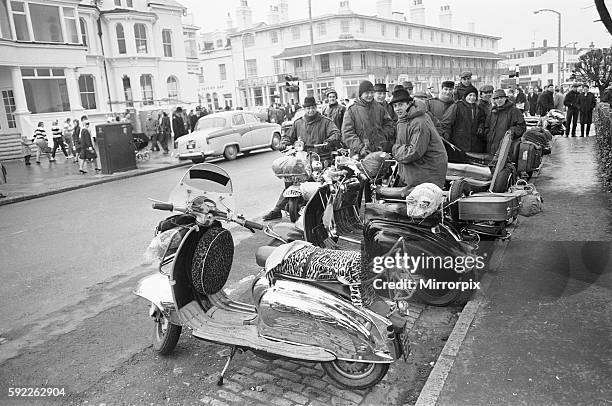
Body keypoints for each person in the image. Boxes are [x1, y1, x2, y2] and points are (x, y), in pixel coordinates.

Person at [263, 96, 341, 221]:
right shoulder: (298, 122)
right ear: (304, 109)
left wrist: (329, 141)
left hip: (320, 159)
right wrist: (284, 142)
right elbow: (288, 137)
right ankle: (277, 210)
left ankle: (329, 211)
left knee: (324, 184)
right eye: (308, 108)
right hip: (302, 159)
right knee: (290, 181)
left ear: (316, 108)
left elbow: (336, 133)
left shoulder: (325, 122)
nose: (310, 110)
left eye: (312, 108)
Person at [390, 88, 448, 189]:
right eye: (395, 106)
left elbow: (414, 152)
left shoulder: (419, 122)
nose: (397, 109)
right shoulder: (402, 121)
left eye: (400, 105)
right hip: (417, 170)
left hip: (427, 171)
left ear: (409, 104)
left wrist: (395, 150)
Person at [342, 80, 395, 158]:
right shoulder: (352, 110)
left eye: (371, 92)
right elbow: (347, 133)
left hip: (379, 152)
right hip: (360, 155)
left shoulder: (380, 108)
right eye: (367, 93)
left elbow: (389, 125)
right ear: (361, 94)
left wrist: (382, 136)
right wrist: (360, 148)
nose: (370, 95)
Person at [440, 85, 486, 153]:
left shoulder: (478, 109)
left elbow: (482, 120)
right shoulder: (457, 106)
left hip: (474, 144)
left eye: (474, 96)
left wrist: (481, 127)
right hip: (459, 142)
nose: (472, 98)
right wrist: (446, 137)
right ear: (465, 96)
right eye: (470, 95)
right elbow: (446, 122)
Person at [484, 89, 526, 154]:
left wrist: (511, 131)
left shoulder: (514, 111)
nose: (499, 100)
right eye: (497, 98)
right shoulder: (492, 112)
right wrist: (488, 135)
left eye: (501, 97)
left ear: (505, 98)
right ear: (494, 100)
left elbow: (521, 127)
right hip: (491, 147)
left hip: (507, 147)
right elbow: (487, 127)